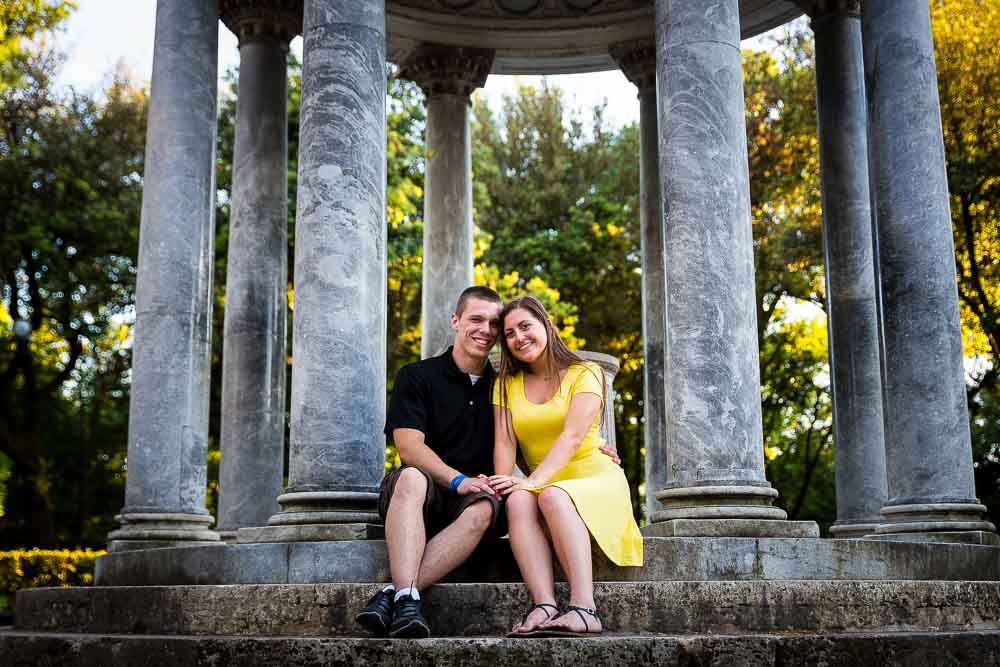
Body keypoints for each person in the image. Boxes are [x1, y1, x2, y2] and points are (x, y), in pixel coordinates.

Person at [355, 286, 504, 639]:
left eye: (494, 323)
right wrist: (457, 480)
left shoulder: (504, 389)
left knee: (485, 507)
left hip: (469, 504)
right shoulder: (417, 376)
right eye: (476, 319)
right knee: (411, 477)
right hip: (420, 496)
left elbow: (533, 448)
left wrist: (595, 453)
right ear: (456, 320)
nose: (485, 329)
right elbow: (408, 447)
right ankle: (406, 598)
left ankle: (399, 595)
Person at [489, 295, 643, 637]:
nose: (519, 337)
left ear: (546, 324)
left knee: (553, 496)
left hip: (593, 474)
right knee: (517, 499)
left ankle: (585, 609)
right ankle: (543, 604)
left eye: (526, 326)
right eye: (509, 333)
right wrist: (504, 484)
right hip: (545, 479)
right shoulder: (505, 384)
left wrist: (533, 482)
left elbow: (572, 437)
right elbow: (505, 443)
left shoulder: (585, 373)